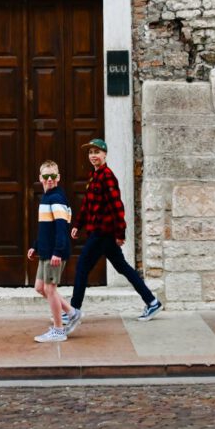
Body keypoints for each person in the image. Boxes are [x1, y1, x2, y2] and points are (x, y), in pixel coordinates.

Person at [65, 138, 162, 335]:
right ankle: (152, 302)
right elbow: (87, 205)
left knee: (83, 266)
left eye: (97, 152)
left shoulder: (108, 176)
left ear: (105, 155)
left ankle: (73, 310)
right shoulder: (94, 176)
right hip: (98, 231)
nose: (93, 155)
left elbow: (118, 207)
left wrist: (120, 233)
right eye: (91, 152)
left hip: (103, 232)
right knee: (123, 268)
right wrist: (78, 224)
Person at [27, 160, 74, 343]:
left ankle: (58, 330)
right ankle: (71, 313)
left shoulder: (57, 198)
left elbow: (61, 229)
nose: (49, 180)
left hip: (55, 253)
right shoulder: (46, 197)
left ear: (58, 178)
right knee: (40, 288)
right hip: (46, 252)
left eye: (52, 176)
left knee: (50, 289)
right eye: (45, 176)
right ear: (40, 178)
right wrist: (35, 246)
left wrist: (58, 252)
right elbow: (46, 229)